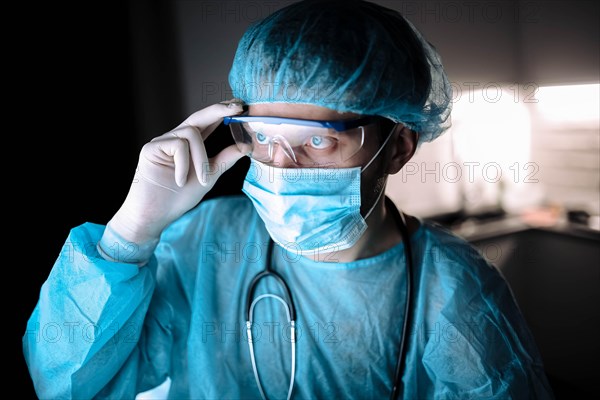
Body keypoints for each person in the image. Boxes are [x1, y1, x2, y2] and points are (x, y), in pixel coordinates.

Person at [23, 0, 554, 398]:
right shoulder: (206, 241)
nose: (280, 167)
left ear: (398, 148)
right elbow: (65, 383)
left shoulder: (453, 288)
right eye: (263, 136)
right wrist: (131, 233)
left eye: (318, 141)